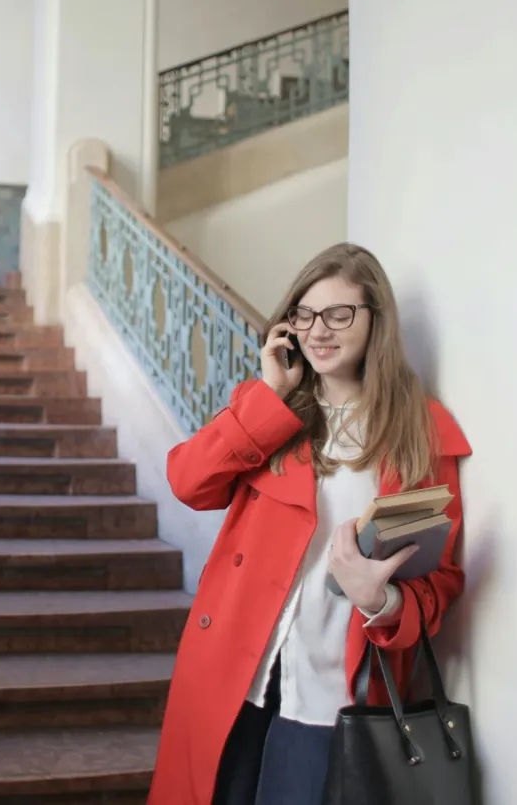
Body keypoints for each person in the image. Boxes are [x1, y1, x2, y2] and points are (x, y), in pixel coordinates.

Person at [145, 243, 471, 805]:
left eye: (339, 314)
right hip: (235, 676)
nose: (319, 330)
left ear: (375, 320)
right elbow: (189, 483)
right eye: (305, 313)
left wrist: (383, 601)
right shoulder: (268, 410)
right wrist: (271, 394)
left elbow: (440, 578)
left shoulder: (419, 431)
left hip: (333, 691)